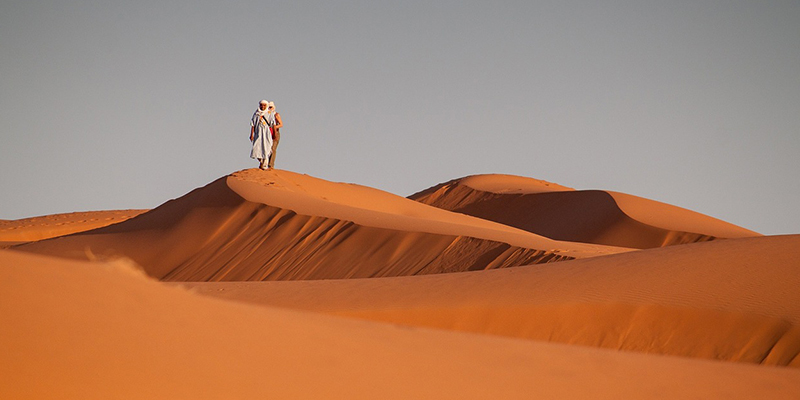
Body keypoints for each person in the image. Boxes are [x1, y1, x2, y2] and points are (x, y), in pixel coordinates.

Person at [250, 100, 274, 170]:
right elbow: (253, 124)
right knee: (256, 147)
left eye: (264, 105)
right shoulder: (256, 113)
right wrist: (251, 134)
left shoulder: (270, 113)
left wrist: (274, 133)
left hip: (266, 133)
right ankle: (261, 160)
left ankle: (265, 165)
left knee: (267, 148)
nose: (262, 107)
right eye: (261, 105)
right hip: (258, 133)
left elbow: (273, 124)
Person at [267, 101, 283, 169]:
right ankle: (265, 164)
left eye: (270, 107)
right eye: (268, 107)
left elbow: (281, 124)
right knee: (267, 149)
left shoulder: (276, 115)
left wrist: (274, 127)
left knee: (273, 149)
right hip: (267, 133)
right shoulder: (266, 115)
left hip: (275, 133)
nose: (269, 108)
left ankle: (271, 165)